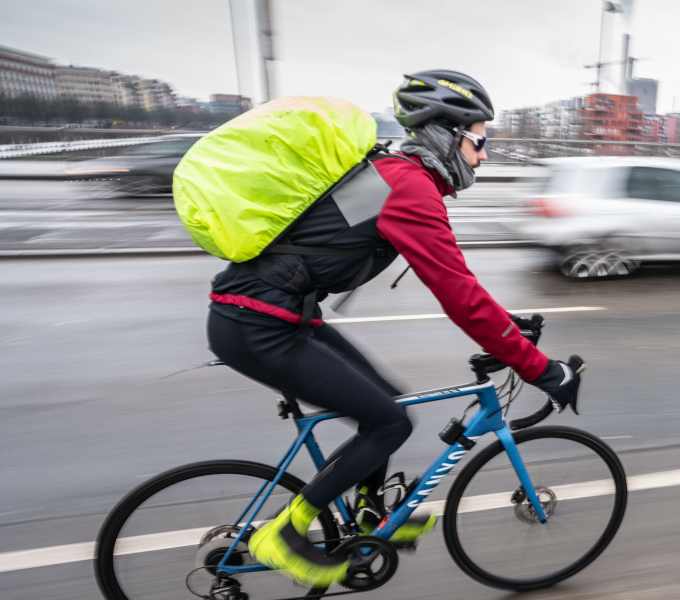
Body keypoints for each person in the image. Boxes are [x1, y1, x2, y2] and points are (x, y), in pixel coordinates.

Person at [205, 70, 583, 587]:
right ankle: (284, 534)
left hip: (272, 315)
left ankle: (369, 517)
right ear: (447, 134)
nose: (484, 156)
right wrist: (540, 369)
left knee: (387, 403)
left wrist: (507, 328)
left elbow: (453, 284)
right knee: (389, 423)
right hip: (258, 325)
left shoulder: (391, 175)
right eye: (480, 141)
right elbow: (459, 295)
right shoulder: (408, 189)